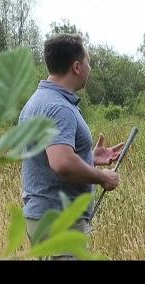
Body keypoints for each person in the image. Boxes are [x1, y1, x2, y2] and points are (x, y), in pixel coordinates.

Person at [19, 33, 123, 259]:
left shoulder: (36, 101)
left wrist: (88, 157)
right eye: (89, 62)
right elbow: (62, 163)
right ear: (77, 67)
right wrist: (102, 177)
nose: (90, 68)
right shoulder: (59, 108)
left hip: (42, 219)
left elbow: (50, 156)